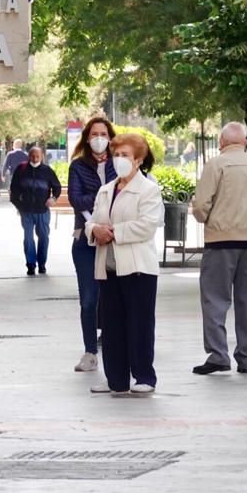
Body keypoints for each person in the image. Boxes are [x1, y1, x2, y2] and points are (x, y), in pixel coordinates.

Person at [85, 133, 163, 394]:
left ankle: (144, 377)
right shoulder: (106, 190)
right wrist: (95, 229)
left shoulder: (149, 190)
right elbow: (92, 220)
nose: (119, 159)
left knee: (139, 324)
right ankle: (115, 379)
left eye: (125, 155)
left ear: (138, 160)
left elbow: (147, 226)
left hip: (138, 267)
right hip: (109, 266)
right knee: (112, 325)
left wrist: (113, 232)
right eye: (116, 155)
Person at [191, 121, 247, 375]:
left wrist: (207, 218)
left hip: (221, 241)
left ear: (222, 143)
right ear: (245, 142)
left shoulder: (215, 164)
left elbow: (201, 206)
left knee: (215, 300)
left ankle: (218, 355)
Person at [68, 117, 117, 372]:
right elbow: (76, 200)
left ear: (110, 137)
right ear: (87, 137)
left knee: (112, 298)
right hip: (85, 241)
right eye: (95, 133)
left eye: (104, 133)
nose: (99, 138)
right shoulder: (78, 166)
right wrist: (94, 224)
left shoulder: (119, 165)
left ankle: (112, 347)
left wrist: (104, 224)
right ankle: (89, 352)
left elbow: (121, 198)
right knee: (89, 299)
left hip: (114, 239)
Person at [9, 146, 61, 276]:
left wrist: (53, 198)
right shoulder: (21, 170)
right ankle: (31, 265)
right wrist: (19, 206)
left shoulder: (47, 171)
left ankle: (42, 264)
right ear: (29, 156)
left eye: (38, 156)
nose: (35, 158)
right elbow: (13, 190)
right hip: (26, 211)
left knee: (43, 237)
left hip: (42, 211)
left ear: (42, 156)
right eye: (32, 156)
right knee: (28, 238)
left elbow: (57, 187)